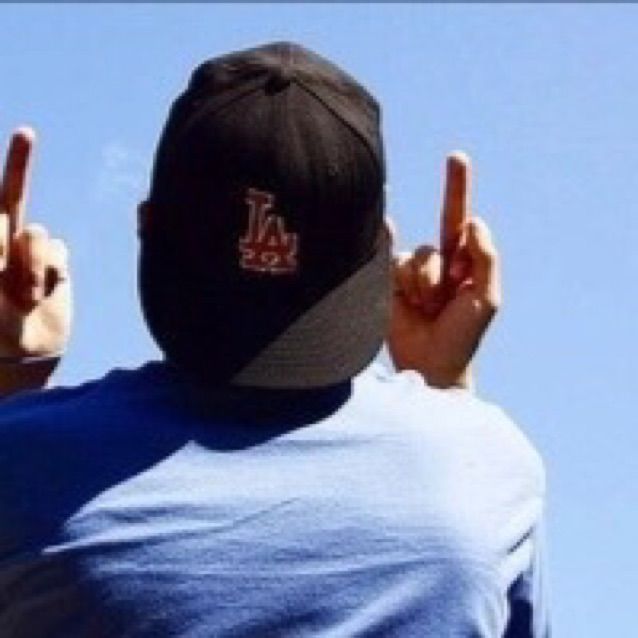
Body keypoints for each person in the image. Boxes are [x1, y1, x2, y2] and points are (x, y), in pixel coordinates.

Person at [0, 42, 548, 637]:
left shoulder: (20, 460)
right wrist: (445, 391)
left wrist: (15, 374)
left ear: (147, 226)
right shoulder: (491, 470)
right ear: (382, 246)